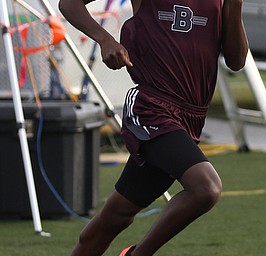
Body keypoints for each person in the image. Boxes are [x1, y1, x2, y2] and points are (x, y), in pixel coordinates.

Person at [58, 0, 248, 255]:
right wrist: (105, 39)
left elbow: (236, 61)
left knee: (116, 216)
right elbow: (69, 3)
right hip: (152, 108)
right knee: (206, 188)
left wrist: (235, 4)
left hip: (189, 118)